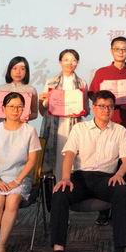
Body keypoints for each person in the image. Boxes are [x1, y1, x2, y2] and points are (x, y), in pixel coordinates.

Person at [40, 90, 126, 252]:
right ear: (93, 108)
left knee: (122, 191)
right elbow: (69, 155)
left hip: (106, 178)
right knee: (60, 193)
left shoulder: (120, 130)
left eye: (110, 107)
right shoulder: (80, 129)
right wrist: (65, 178)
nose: (106, 110)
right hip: (80, 178)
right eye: (101, 106)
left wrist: (119, 174)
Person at [89, 37, 126, 226]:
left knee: (123, 165)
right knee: (104, 165)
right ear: (111, 50)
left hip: (125, 126)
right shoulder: (101, 73)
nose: (121, 52)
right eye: (117, 49)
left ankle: (120, 207)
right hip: (104, 126)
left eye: (124, 49)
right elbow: (93, 95)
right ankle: (103, 210)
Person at [0, 92, 42, 252]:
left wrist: (17, 181)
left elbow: (32, 161)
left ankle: (1, 246)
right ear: (3, 108)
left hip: (19, 177)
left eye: (19, 107)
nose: (15, 110)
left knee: (13, 199)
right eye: (11, 106)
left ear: (24, 109)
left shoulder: (29, 130)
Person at [39, 49, 89, 178]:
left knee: (71, 155)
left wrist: (81, 109)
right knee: (55, 158)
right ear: (60, 62)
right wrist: (46, 100)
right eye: (66, 60)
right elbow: (44, 107)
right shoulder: (51, 82)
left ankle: (69, 184)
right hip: (55, 126)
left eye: (73, 60)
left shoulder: (82, 83)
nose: (70, 63)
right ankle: (54, 185)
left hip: (73, 125)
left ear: (77, 63)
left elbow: (86, 109)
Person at [0, 56, 38, 121]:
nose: (18, 72)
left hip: (21, 125)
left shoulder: (31, 90)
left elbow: (35, 113)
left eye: (22, 69)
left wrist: (25, 117)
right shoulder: (1, 89)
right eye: (14, 68)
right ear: (9, 70)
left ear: (26, 71)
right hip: (3, 124)